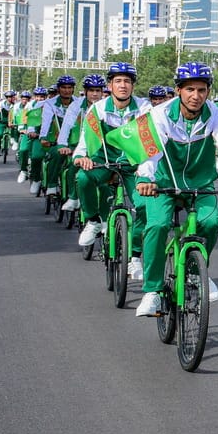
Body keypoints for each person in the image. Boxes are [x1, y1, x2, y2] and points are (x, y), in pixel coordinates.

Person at [133, 62, 218, 316]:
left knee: (211, 223)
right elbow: (150, 151)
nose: (196, 96)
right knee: (156, 225)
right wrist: (146, 178)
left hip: (201, 183)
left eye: (201, 90)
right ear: (178, 90)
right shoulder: (160, 114)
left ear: (208, 91)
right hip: (163, 183)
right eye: (189, 89)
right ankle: (153, 290)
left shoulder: (217, 116)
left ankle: (196, 272)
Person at [71, 64, 150, 283]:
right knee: (82, 177)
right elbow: (84, 141)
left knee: (144, 205)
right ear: (110, 85)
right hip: (104, 161)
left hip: (133, 164)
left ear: (133, 85)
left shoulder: (144, 108)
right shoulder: (97, 110)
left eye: (127, 81)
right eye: (118, 81)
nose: (123, 85)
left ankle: (134, 254)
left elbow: (149, 141)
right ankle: (94, 219)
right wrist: (81, 157)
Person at [56, 74, 106, 211]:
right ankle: (73, 198)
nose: (95, 94)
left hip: (101, 149)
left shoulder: (106, 106)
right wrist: (63, 145)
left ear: (103, 92)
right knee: (74, 168)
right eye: (91, 90)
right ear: (85, 91)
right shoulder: (76, 106)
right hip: (78, 145)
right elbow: (66, 127)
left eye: (98, 91)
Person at [38, 75, 78, 198]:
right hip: (55, 139)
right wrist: (43, 137)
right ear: (59, 89)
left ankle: (74, 194)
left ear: (73, 89)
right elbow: (46, 121)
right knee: (57, 154)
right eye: (64, 87)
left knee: (76, 163)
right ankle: (52, 184)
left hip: (74, 140)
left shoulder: (78, 103)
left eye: (69, 87)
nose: (67, 90)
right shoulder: (50, 104)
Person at [17, 86, 49, 193]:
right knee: (24, 150)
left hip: (48, 135)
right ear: (34, 97)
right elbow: (27, 120)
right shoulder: (30, 106)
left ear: (46, 97)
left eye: (42, 96)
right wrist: (29, 131)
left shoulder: (50, 106)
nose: (40, 99)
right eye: (38, 96)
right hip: (32, 133)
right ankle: (25, 172)